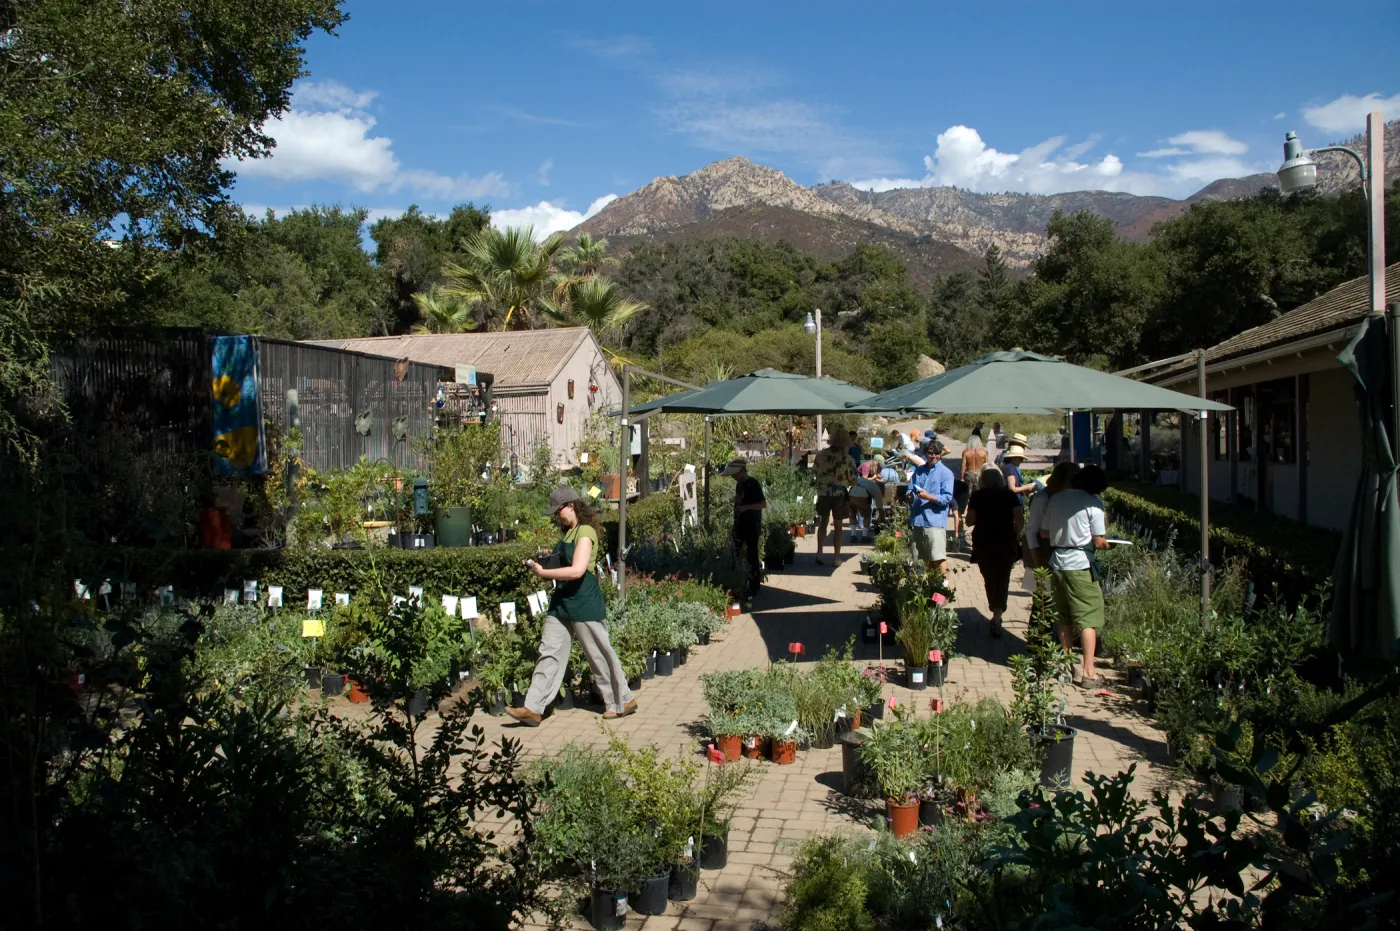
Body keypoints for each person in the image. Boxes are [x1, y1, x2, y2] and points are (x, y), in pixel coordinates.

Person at [509, 487, 635, 726]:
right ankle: (533, 708)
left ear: (571, 506)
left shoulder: (585, 532)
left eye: (559, 511)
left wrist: (545, 573)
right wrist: (543, 564)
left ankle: (622, 701)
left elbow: (577, 570)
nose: (558, 517)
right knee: (549, 652)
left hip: (583, 599)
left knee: (598, 653)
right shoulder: (568, 533)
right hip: (562, 600)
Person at [1040, 464, 1110, 687]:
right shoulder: (1093, 503)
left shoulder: (1056, 499)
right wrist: (1108, 544)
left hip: (1058, 562)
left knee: (1064, 617)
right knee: (1089, 617)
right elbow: (1098, 540)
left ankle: (1067, 666)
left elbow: (1044, 532)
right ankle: (1089, 672)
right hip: (1080, 564)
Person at [966, 466, 1023, 637]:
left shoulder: (978, 496)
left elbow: (970, 520)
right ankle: (997, 615)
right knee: (1003, 578)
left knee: (989, 578)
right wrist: (1017, 537)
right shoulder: (1009, 495)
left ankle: (995, 610)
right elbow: (1020, 519)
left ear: (982, 480)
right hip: (1006, 542)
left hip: (984, 542)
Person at [906, 437, 955, 578]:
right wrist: (910, 495)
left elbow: (947, 498)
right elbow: (910, 488)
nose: (934, 456)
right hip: (918, 520)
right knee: (921, 560)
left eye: (937, 453)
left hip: (935, 522)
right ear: (925, 454)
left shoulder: (946, 473)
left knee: (938, 558)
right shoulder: (919, 470)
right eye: (930, 453)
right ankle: (927, 587)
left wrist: (928, 497)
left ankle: (943, 588)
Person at [719, 459, 766, 602]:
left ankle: (754, 587)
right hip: (739, 524)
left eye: (734, 474)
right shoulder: (739, 484)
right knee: (735, 553)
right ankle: (737, 583)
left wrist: (745, 507)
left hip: (752, 524)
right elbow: (744, 499)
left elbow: (762, 504)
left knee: (752, 556)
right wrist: (738, 501)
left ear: (740, 471)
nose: (733, 477)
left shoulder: (753, 483)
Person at [1024, 461, 1076, 569]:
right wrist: (1037, 562)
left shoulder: (1063, 497)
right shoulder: (1042, 499)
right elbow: (1032, 531)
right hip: (1045, 553)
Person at [812, 440, 856, 565]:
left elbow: (814, 472)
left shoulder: (820, 455)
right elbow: (853, 480)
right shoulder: (847, 458)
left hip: (823, 493)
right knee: (838, 525)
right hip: (839, 495)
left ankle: (819, 553)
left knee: (823, 522)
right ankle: (836, 557)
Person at [956, 433, 989, 548]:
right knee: (979, 500)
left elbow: (963, 466)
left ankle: (966, 518)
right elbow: (986, 466)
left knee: (966, 499)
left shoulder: (966, 452)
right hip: (979, 476)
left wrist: (961, 478)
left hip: (969, 476)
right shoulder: (983, 452)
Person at [1001, 434, 1035, 504]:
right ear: (1015, 457)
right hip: (1012, 502)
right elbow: (1012, 488)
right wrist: (1026, 487)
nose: (1021, 461)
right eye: (1021, 458)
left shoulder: (1011, 466)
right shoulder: (1009, 468)